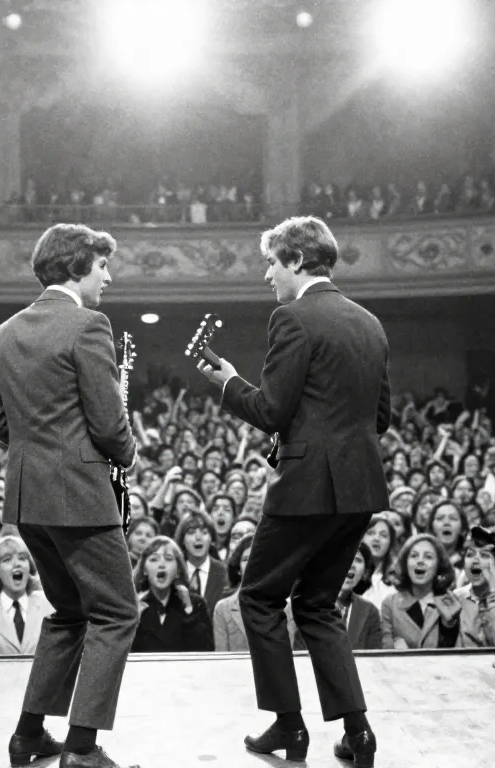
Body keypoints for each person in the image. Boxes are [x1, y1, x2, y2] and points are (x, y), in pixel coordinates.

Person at [197, 216, 391, 767]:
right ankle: (358, 733)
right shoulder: (370, 322)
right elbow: (381, 416)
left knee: (258, 598)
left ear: (298, 260)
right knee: (317, 604)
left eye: (271, 263)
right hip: (359, 487)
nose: (267, 275)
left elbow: (271, 410)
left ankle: (289, 726)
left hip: (306, 488)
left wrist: (229, 384)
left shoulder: (292, 317)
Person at [0, 223, 140, 768]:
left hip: (28, 497)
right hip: (78, 493)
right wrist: (128, 453)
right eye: (102, 266)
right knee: (117, 613)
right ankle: (81, 747)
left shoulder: (6, 331)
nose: (108, 277)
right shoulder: (88, 325)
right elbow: (108, 424)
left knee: (71, 611)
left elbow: (1, 425)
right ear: (77, 266)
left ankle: (29, 735)